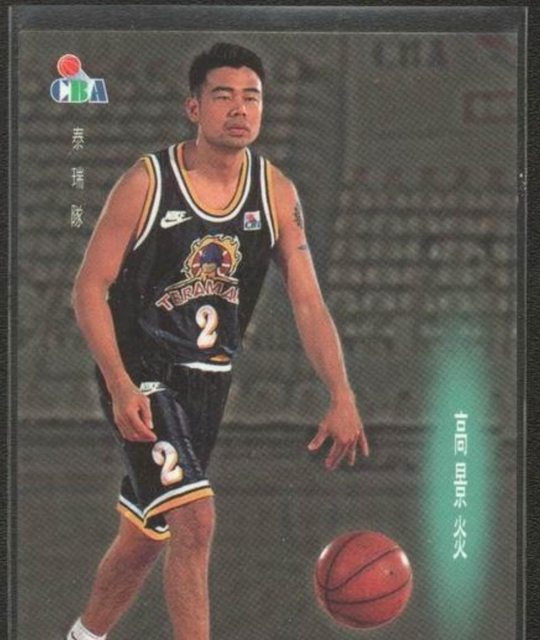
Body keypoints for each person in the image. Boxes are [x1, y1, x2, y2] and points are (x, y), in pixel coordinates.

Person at [68, 42, 369, 640]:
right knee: (196, 521)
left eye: (251, 97)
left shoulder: (275, 192)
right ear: (194, 108)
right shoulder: (148, 182)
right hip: (144, 371)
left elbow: (308, 301)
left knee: (145, 536)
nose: (239, 109)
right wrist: (120, 382)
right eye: (223, 96)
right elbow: (88, 288)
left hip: (208, 381)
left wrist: (341, 393)